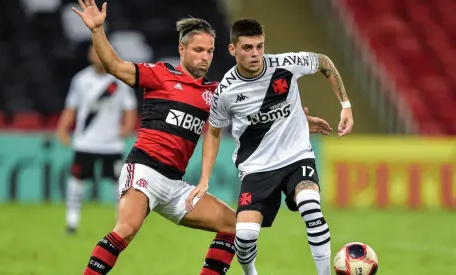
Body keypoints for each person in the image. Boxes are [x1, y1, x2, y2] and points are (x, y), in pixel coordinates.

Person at [72, 1, 332, 274]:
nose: (205, 57)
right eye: (198, 50)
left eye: (209, 51)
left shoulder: (216, 93)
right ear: (182, 50)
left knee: (234, 225)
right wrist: (98, 30)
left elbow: (255, 112)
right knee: (125, 229)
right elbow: (113, 65)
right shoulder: (160, 75)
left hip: (175, 183)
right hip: (144, 171)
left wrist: (298, 121)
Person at [187, 18, 353, 275]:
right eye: (247, 48)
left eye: (259, 46)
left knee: (311, 207)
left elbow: (324, 62)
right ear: (233, 50)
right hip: (257, 168)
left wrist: (346, 106)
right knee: (244, 236)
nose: (255, 54)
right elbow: (214, 133)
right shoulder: (226, 91)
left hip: (297, 157)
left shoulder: (285, 65)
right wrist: (205, 178)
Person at [56, 44, 137, 234]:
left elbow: (130, 108)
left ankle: (121, 225)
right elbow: (71, 107)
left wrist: (126, 128)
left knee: (118, 185)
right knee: (76, 182)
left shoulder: (119, 80)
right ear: (90, 56)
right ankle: (71, 223)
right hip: (85, 142)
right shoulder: (81, 79)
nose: (98, 56)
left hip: (111, 144)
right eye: (95, 52)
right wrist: (62, 128)